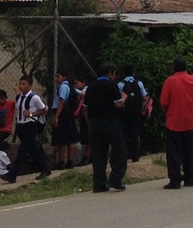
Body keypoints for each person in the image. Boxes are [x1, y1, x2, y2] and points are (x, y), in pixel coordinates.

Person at [83, 63, 130, 193]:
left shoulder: (90, 87)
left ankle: (99, 184)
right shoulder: (111, 85)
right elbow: (118, 105)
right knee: (119, 149)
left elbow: (85, 108)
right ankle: (115, 178)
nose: (114, 76)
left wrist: (89, 123)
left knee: (98, 153)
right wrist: (124, 98)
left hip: (94, 122)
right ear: (109, 73)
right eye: (114, 73)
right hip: (110, 121)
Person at [158, 57, 193, 189]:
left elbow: (164, 102)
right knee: (190, 150)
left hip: (173, 121)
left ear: (173, 67)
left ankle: (175, 180)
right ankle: (190, 178)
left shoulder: (170, 81)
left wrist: (169, 112)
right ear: (185, 67)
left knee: (174, 152)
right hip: (190, 120)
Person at [8, 75, 50, 182]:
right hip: (21, 126)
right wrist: (16, 91)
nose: (22, 86)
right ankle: (45, 169)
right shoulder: (20, 97)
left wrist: (31, 114)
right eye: (20, 84)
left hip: (30, 125)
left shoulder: (34, 98)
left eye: (24, 84)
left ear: (30, 85)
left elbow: (44, 109)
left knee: (23, 150)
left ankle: (13, 174)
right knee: (32, 149)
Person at [119, 68, 149, 163]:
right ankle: (135, 155)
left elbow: (119, 98)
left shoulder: (120, 84)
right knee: (135, 133)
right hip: (136, 112)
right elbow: (144, 97)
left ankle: (125, 154)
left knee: (124, 133)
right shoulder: (139, 83)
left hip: (124, 112)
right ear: (133, 73)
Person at [50, 70, 77, 170]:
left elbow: (61, 102)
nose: (56, 79)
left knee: (62, 140)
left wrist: (56, 117)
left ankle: (62, 162)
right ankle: (69, 161)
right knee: (69, 139)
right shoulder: (69, 87)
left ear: (64, 77)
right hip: (67, 114)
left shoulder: (63, 87)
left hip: (63, 114)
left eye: (58, 76)